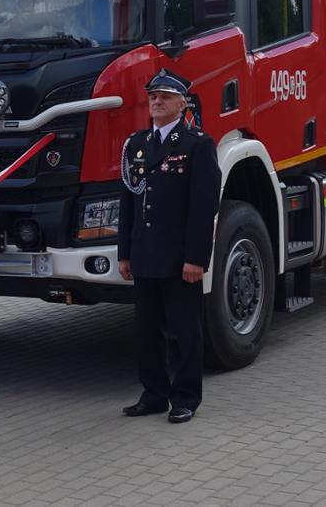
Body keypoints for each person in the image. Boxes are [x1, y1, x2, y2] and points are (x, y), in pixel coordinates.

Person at [117, 68, 221, 424]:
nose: (156, 102)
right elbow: (128, 202)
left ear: (181, 103)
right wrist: (124, 254)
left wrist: (196, 259)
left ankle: (186, 397)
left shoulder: (198, 144)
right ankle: (154, 393)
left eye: (164, 96)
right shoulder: (137, 145)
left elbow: (204, 208)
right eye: (152, 97)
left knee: (184, 330)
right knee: (146, 332)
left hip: (179, 258)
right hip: (145, 255)